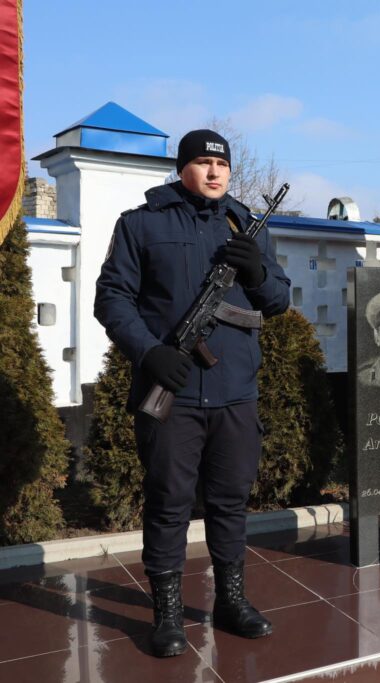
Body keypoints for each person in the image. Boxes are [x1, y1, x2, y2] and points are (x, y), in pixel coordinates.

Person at [95, 129, 290, 657]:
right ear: (182, 167)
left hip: (235, 394)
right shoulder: (142, 224)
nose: (214, 172)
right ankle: (167, 616)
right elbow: (111, 298)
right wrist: (149, 352)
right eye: (202, 162)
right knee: (168, 504)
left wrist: (257, 272)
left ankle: (231, 601)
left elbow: (278, 300)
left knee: (230, 504)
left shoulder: (246, 226)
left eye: (221, 164)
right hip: (172, 393)